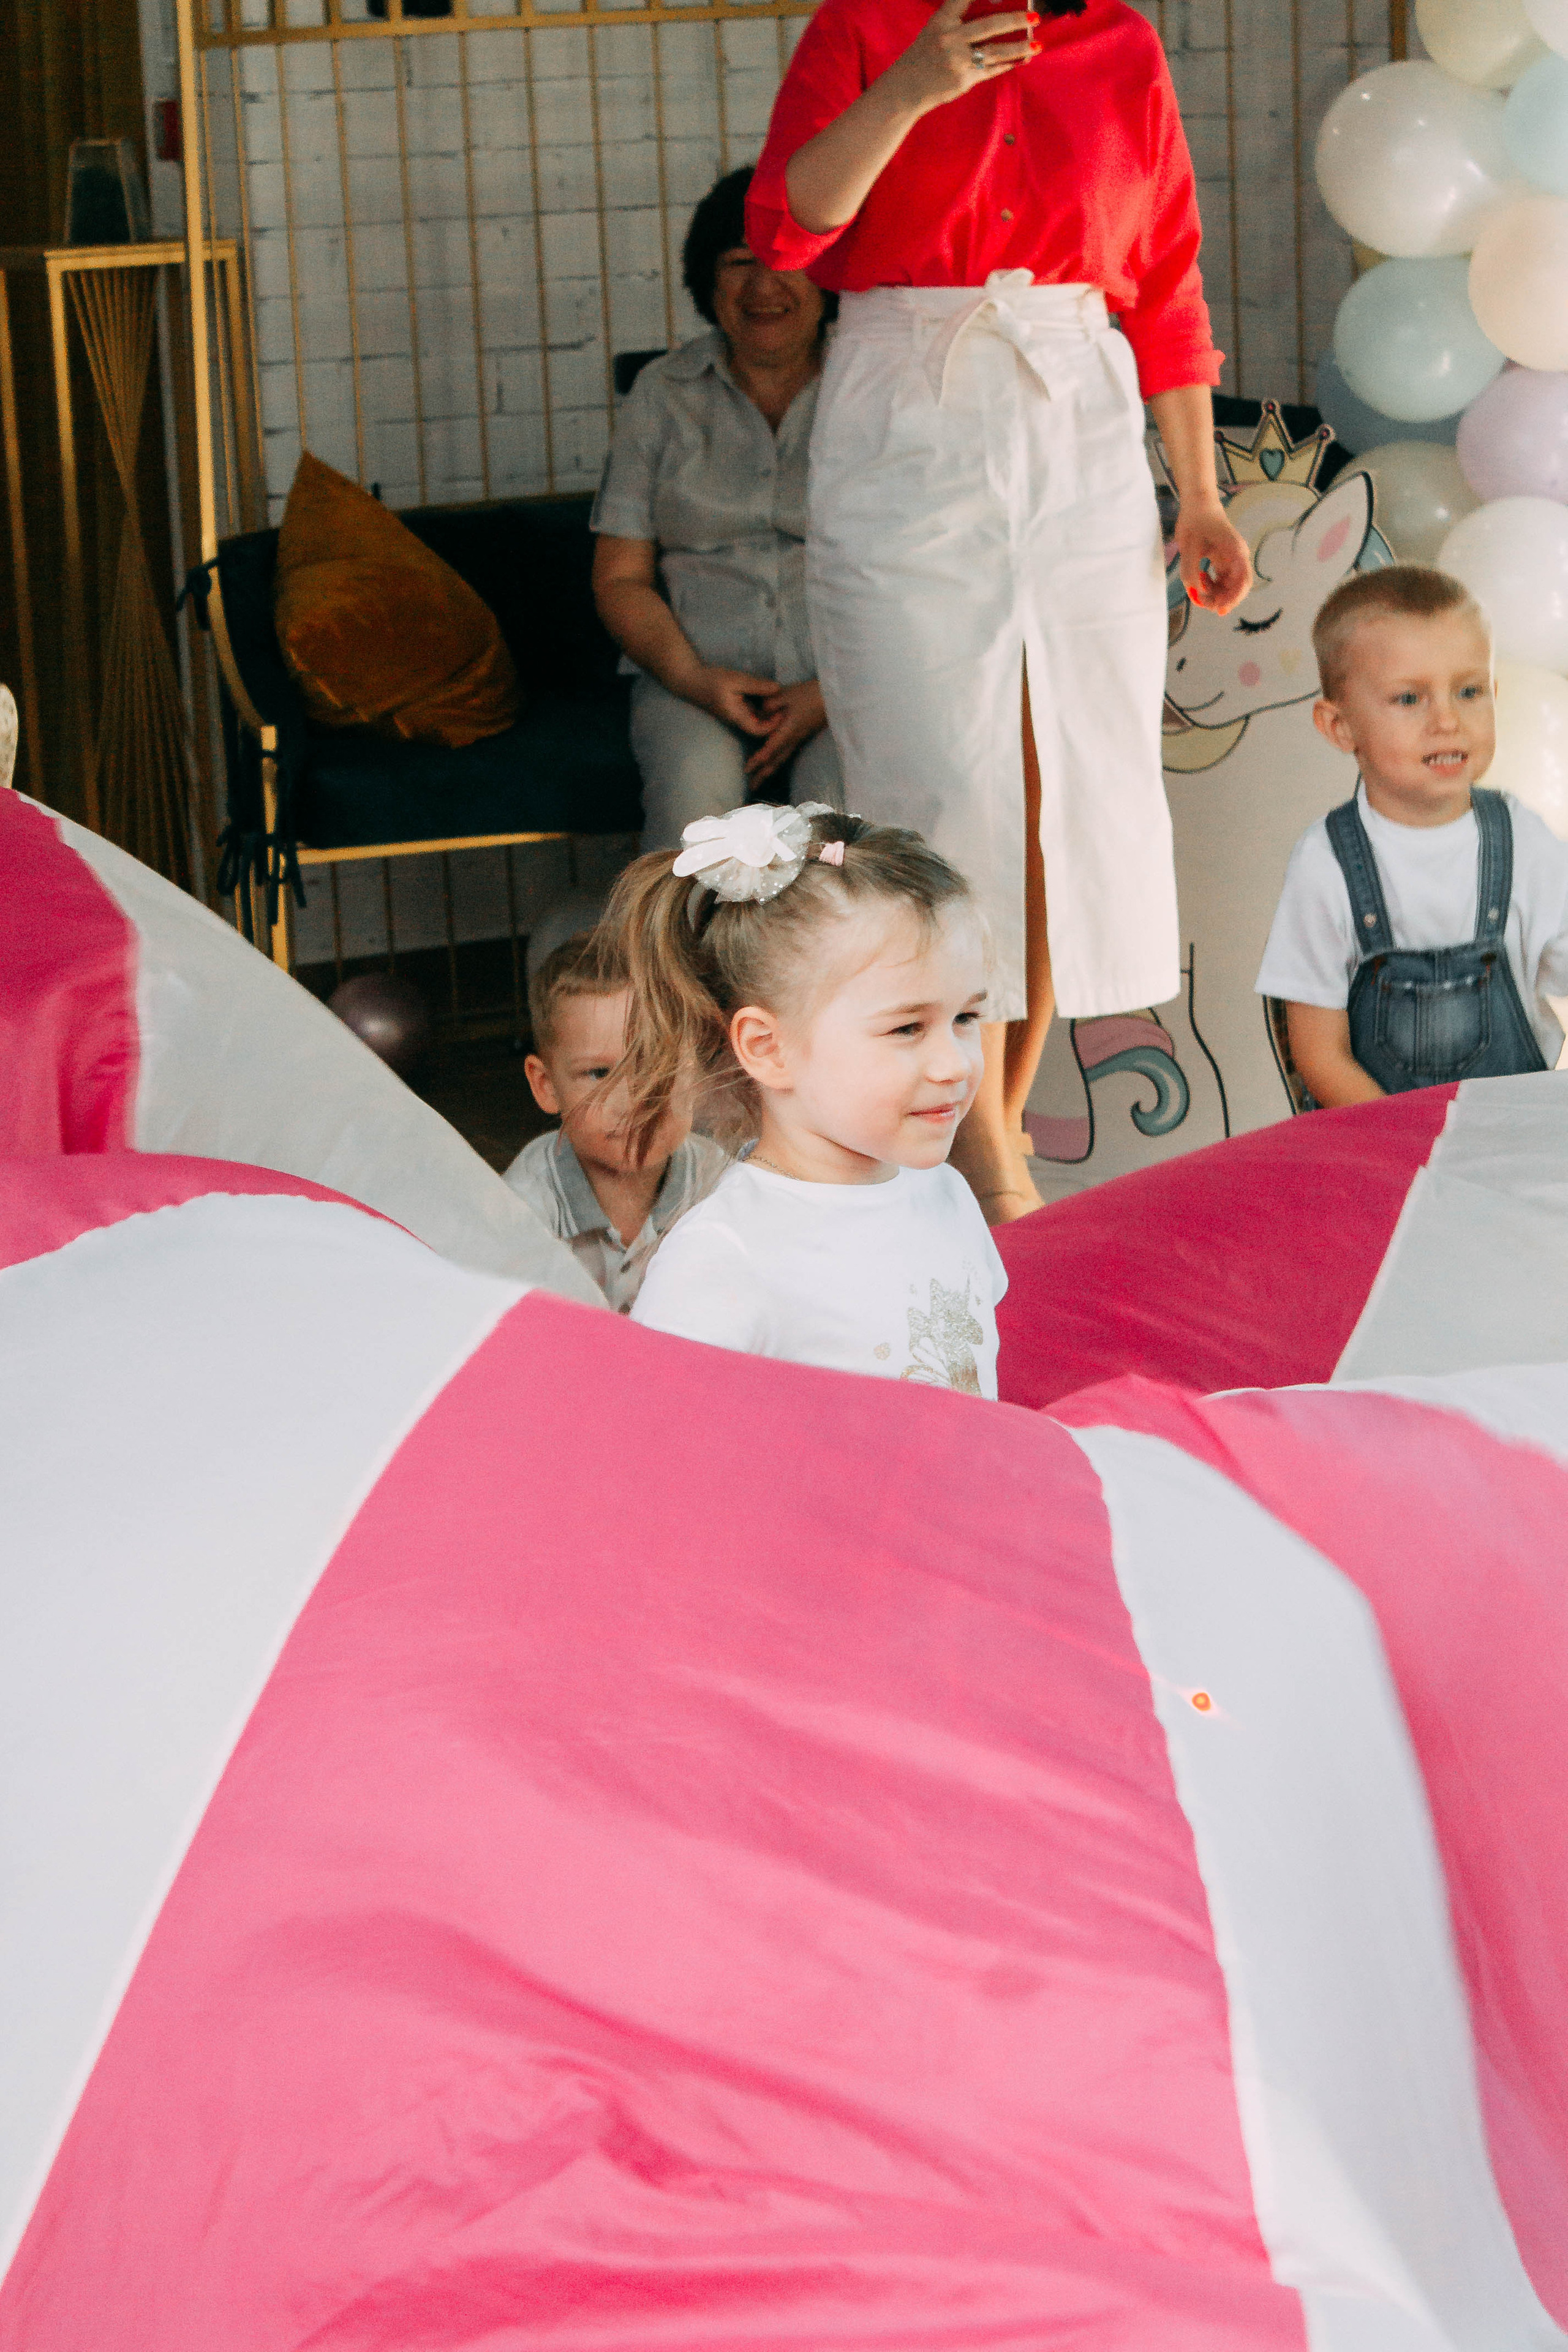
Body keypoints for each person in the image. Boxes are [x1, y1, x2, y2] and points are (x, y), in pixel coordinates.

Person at [744, 0, 1254, 1223]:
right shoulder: (864, 28)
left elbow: (1166, 281)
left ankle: (990, 1133)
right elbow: (786, 225)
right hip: (906, 407)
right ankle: (984, 1162)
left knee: (1059, 799)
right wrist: (914, 84)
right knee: (931, 792)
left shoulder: (1119, 44)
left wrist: (1199, 495)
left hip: (1078, 419)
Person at [611, 799, 1009, 1395]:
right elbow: (666, 1457)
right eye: (907, 1028)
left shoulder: (947, 1195)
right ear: (768, 1048)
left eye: (967, 1016)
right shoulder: (724, 1258)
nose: (955, 1063)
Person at [592, 166, 842, 855]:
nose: (763, 287)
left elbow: (919, 567)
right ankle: (687, 967)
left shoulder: (872, 386)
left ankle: (822, 968)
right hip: (693, 679)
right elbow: (620, 578)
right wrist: (691, 679)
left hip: (843, 684)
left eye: (787, 262)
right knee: (691, 817)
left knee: (845, 839)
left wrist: (829, 692)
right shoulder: (661, 394)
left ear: (828, 276)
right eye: (739, 263)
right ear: (707, 284)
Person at [1256, 567, 1568, 1106]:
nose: (1447, 721)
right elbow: (1319, 1054)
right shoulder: (1326, 863)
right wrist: (1401, 1149)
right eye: (1409, 699)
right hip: (1375, 1145)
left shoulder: (1524, 842)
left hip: (1508, 1135)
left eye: (1469, 691)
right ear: (1340, 726)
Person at [505, 930, 728, 1313]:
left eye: (656, 1065)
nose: (633, 1101)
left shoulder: (719, 1180)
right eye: (599, 1073)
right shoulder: (526, 1206)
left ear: (697, 1070)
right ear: (546, 1087)